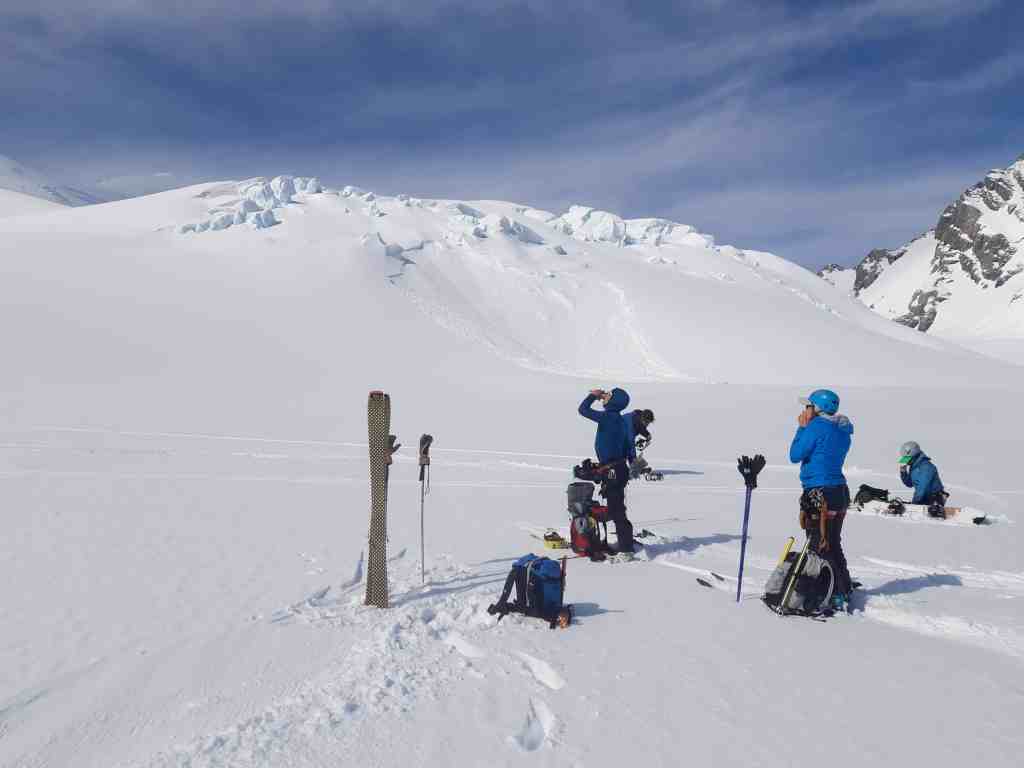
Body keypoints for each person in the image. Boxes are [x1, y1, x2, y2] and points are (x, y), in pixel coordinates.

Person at [789, 388, 854, 610]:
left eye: (808, 406)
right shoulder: (843, 429)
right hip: (839, 491)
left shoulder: (815, 427)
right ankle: (842, 587)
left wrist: (802, 427)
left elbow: (795, 454)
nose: (805, 409)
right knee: (833, 542)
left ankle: (829, 592)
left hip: (819, 491)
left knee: (819, 544)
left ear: (817, 408)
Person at [578, 388, 635, 554]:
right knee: (617, 508)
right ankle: (626, 542)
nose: (605, 396)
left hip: (613, 471)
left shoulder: (608, 417)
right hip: (617, 469)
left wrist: (593, 396)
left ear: (614, 402)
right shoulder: (621, 421)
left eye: (608, 395)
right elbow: (628, 447)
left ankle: (626, 550)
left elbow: (583, 410)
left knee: (617, 511)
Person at [898, 441, 948, 517]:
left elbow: (922, 488)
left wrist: (913, 504)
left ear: (914, 455)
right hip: (922, 497)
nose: (906, 461)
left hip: (934, 498)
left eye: (907, 458)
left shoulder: (926, 467)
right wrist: (903, 472)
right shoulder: (914, 466)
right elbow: (909, 484)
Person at [623, 408, 655, 476]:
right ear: (643, 419)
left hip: (623, 436)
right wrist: (635, 463)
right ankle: (627, 468)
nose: (647, 425)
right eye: (647, 422)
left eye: (648, 423)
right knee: (627, 449)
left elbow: (640, 427)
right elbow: (630, 445)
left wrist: (647, 434)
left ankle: (631, 467)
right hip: (612, 436)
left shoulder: (637, 418)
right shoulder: (631, 424)